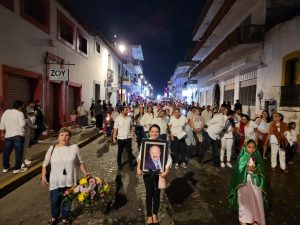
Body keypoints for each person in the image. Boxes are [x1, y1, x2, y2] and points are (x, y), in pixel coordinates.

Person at [41, 128, 90, 225]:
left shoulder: (74, 147)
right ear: (58, 137)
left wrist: (85, 173)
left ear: (70, 137)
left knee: (67, 203)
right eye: (62, 135)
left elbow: (80, 163)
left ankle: (64, 219)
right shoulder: (52, 149)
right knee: (54, 202)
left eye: (67, 135)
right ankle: (54, 218)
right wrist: (43, 176)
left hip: (70, 181)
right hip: (55, 181)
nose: (64, 137)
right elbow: (44, 165)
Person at [137, 124, 172, 224]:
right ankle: (149, 215)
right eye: (152, 131)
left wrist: (166, 171)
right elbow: (140, 157)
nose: (154, 133)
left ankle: (154, 214)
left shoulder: (163, 144)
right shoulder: (145, 143)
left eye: (156, 131)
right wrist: (138, 168)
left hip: (159, 174)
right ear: (149, 132)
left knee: (157, 194)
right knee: (148, 193)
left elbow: (168, 159)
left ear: (159, 133)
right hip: (147, 173)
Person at [228, 139, 266, 225]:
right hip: (244, 182)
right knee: (244, 201)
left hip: (255, 182)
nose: (251, 149)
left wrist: (256, 170)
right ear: (245, 147)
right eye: (249, 147)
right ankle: (243, 218)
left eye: (253, 147)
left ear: (256, 148)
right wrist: (246, 169)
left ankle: (255, 219)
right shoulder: (242, 157)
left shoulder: (257, 156)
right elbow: (237, 171)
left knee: (256, 200)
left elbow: (262, 170)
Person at [1, 100, 27, 173]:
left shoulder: (6, 112)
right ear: (20, 107)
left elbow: (2, 122)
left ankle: (6, 168)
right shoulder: (20, 113)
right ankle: (17, 169)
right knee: (18, 153)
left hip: (8, 136)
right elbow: (22, 125)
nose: (22, 107)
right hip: (18, 135)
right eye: (22, 106)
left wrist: (2, 133)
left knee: (6, 152)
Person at [113, 106, 134, 171]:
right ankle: (119, 165)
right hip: (120, 139)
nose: (127, 111)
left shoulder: (129, 118)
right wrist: (114, 138)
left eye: (127, 110)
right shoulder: (117, 119)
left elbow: (131, 127)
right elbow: (115, 130)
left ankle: (131, 165)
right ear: (122, 111)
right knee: (119, 153)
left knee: (129, 152)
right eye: (126, 110)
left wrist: (131, 135)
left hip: (128, 138)